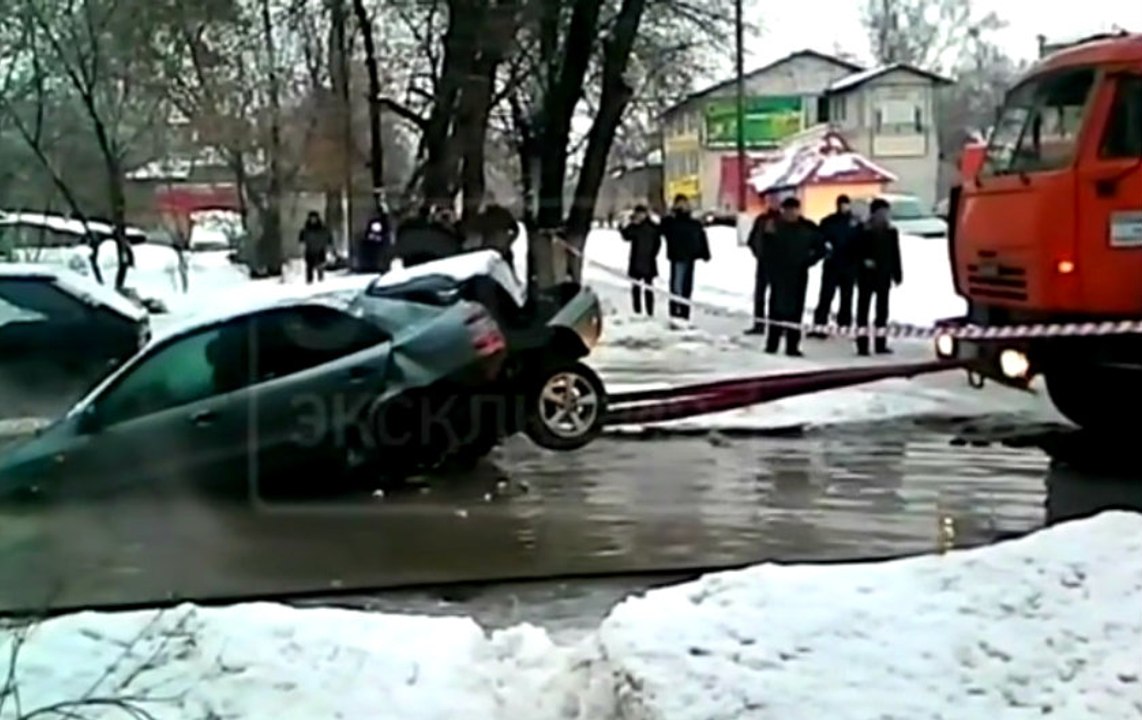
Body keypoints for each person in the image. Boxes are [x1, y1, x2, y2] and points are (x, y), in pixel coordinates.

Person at [762, 197, 827, 356]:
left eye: (794, 210)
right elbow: (764, 248)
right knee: (776, 310)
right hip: (779, 273)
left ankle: (792, 346)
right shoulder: (774, 226)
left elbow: (822, 248)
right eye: (788, 211)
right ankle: (772, 344)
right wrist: (770, 268)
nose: (791, 214)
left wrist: (808, 261)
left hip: (798, 273)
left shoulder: (807, 227)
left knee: (796, 311)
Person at [854, 198, 903, 356]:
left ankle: (880, 344)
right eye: (881, 212)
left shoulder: (891, 231)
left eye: (886, 212)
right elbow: (854, 252)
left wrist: (897, 273)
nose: (884, 216)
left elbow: (895, 254)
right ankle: (862, 344)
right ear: (874, 213)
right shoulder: (863, 230)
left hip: (884, 275)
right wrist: (863, 261)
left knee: (882, 312)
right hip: (866, 276)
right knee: (863, 311)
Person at [810, 194, 862, 337]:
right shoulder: (829, 222)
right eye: (841, 204)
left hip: (849, 264)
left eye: (846, 204)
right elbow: (819, 240)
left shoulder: (855, 223)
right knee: (826, 296)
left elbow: (861, 243)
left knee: (847, 297)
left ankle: (844, 324)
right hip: (832, 264)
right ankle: (820, 325)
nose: (844, 207)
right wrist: (823, 251)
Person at [659, 194, 709, 320]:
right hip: (677, 257)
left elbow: (701, 236)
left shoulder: (693, 223)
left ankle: (684, 313)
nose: (683, 206)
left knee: (686, 286)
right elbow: (661, 229)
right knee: (677, 286)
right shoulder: (671, 222)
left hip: (689, 257)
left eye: (684, 203)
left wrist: (704, 252)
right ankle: (676, 311)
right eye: (679, 203)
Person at [620, 204, 663, 316]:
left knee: (647, 288)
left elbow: (658, 243)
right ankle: (638, 311)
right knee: (636, 288)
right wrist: (623, 225)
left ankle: (649, 311)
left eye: (640, 214)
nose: (639, 216)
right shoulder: (636, 227)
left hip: (647, 261)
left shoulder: (652, 227)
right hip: (639, 261)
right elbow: (626, 236)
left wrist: (653, 254)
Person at [744, 207, 778, 335]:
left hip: (778, 264)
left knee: (777, 296)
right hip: (763, 262)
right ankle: (759, 324)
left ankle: (778, 325)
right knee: (760, 295)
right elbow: (752, 239)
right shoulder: (761, 220)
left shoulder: (782, 222)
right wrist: (758, 253)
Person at [299, 211, 333, 284]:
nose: (313, 220)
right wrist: (302, 250)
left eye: (314, 218)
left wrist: (328, 249)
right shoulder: (305, 230)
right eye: (311, 218)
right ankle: (309, 282)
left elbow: (329, 238)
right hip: (309, 251)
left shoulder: (323, 229)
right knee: (309, 267)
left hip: (320, 250)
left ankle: (320, 280)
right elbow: (302, 241)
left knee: (320, 266)